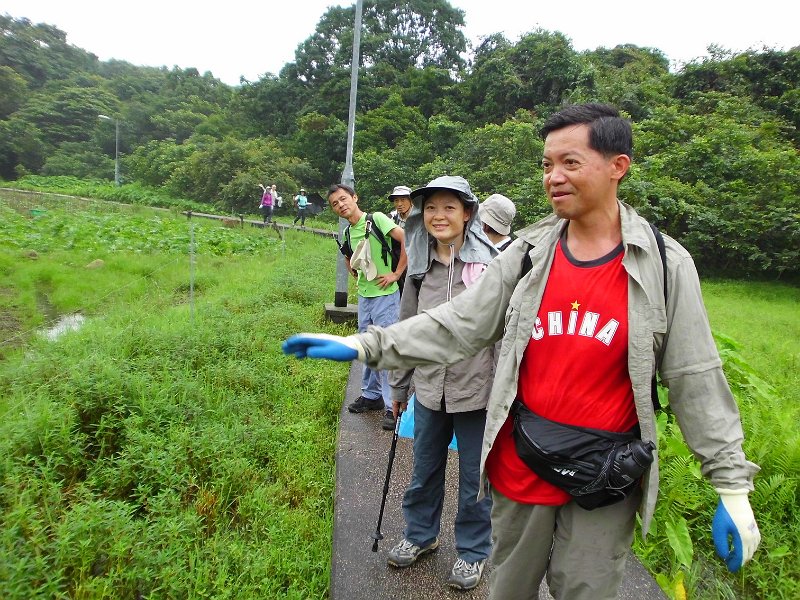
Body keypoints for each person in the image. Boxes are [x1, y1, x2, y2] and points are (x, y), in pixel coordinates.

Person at [282, 104, 761, 599]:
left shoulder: (663, 264)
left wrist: (731, 487)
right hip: (522, 460)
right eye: (547, 164)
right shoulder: (528, 255)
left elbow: (694, 376)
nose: (553, 176)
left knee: (586, 590)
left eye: (570, 163)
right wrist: (364, 345)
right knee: (508, 587)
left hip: (605, 476)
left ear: (618, 166)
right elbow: (459, 325)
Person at [384, 176, 497, 590]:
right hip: (430, 389)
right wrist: (398, 389)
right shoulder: (418, 269)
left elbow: (504, 333)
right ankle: (420, 535)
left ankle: (472, 552)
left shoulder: (491, 267)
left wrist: (508, 396)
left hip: (478, 391)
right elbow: (406, 331)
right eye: (430, 208)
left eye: (449, 207)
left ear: (468, 214)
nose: (438, 216)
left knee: (475, 479)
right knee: (424, 469)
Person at [327, 183, 407, 432]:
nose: (340, 205)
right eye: (335, 204)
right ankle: (371, 396)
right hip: (365, 296)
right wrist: (353, 267)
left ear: (354, 197)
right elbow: (349, 257)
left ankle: (392, 406)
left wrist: (396, 273)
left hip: (385, 295)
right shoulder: (349, 232)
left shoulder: (377, 219)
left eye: (343, 199)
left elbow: (406, 239)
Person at [387, 185, 416, 295]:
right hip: (396, 261)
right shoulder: (390, 218)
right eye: (396, 200)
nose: (399, 204)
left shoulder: (420, 217)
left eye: (403, 200)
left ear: (411, 201)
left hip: (416, 260)